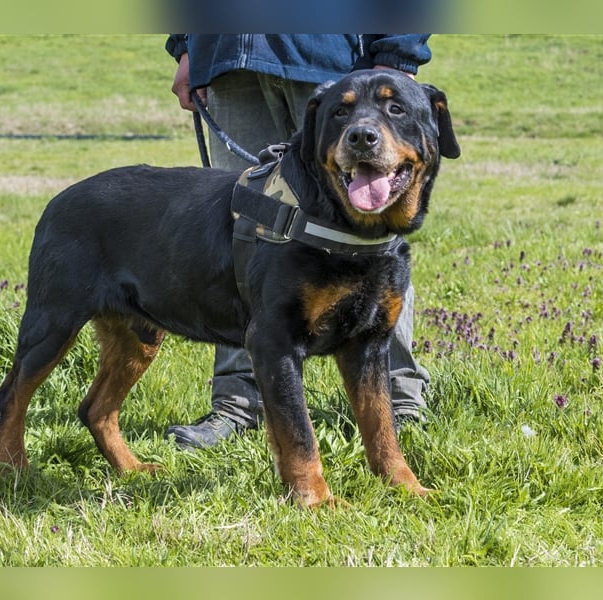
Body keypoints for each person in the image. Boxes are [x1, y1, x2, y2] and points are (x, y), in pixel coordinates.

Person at [164, 34, 433, 449]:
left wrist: (398, 52)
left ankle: (398, 402)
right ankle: (239, 404)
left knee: (370, 233)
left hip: (333, 46)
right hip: (225, 53)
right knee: (244, 237)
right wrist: (188, 44)